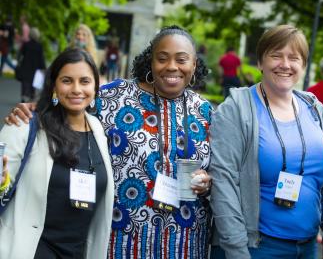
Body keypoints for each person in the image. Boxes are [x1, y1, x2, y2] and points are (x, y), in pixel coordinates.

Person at [5, 25, 213, 258]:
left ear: (194, 64)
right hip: (121, 239)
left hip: (184, 242)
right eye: (162, 58)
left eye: (181, 59)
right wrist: (34, 110)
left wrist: (208, 182)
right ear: (151, 61)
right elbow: (70, 104)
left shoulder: (205, 111)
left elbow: (220, 173)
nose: (172, 66)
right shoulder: (115, 96)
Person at [209, 24, 323, 258]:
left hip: (307, 247)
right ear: (260, 62)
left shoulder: (314, 107)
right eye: (276, 55)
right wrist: (237, 251)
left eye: (294, 58)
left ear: (303, 65)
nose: (285, 65)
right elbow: (222, 180)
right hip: (256, 247)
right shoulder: (237, 108)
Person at [0, 47, 114, 258]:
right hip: (32, 250)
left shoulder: (99, 129)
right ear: (54, 85)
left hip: (77, 252)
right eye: (67, 80)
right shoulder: (24, 124)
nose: (77, 89)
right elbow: (2, 183)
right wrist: (2, 180)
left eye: (85, 81)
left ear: (96, 87)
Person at [16, 27, 46, 102]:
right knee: (33, 82)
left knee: (25, 82)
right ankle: (32, 97)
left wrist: (18, 62)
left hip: (25, 65)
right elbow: (41, 58)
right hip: (35, 67)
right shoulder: (39, 46)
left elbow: (20, 54)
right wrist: (43, 67)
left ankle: (23, 96)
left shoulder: (26, 44)